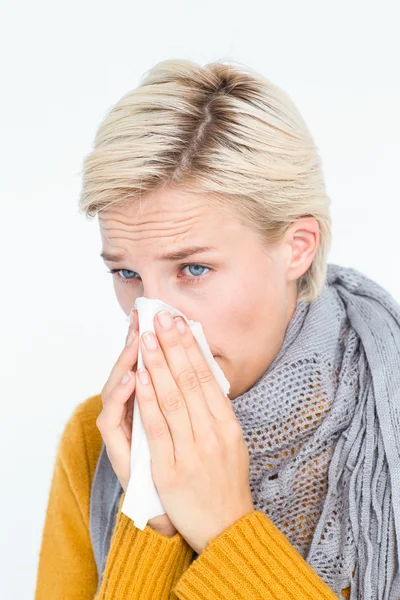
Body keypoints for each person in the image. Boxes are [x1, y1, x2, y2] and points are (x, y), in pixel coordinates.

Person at [34, 59, 400, 599]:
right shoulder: (100, 439)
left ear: (298, 247)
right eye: (127, 273)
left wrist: (229, 533)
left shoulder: (385, 429)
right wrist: (151, 520)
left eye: (194, 269)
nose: (153, 317)